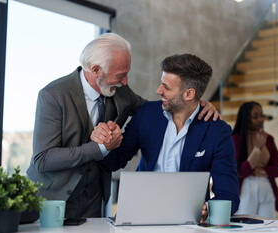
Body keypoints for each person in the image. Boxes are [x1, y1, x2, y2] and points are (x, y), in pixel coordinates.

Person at [26, 33, 219, 219]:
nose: (125, 82)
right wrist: (100, 148)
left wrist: (196, 105)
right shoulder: (52, 95)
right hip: (51, 200)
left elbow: (153, 111)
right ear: (95, 70)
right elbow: (43, 159)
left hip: (93, 200)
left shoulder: (121, 92)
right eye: (120, 75)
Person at [91, 53, 240, 223]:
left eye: (166, 87)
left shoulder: (217, 131)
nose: (158, 91)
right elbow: (114, 162)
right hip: (139, 216)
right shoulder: (146, 114)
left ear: (189, 94)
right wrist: (105, 143)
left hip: (188, 222)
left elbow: (229, 194)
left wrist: (208, 209)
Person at [231, 101, 278, 219]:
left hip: (266, 185)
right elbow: (241, 171)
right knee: (246, 229)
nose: (261, 119)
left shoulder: (269, 139)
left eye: (262, 115)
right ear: (245, 118)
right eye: (255, 117)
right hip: (246, 186)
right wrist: (258, 148)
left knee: (268, 227)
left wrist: (260, 171)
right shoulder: (235, 139)